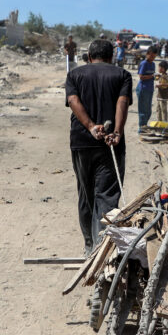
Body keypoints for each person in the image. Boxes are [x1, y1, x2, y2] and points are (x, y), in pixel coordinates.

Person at [65, 39, 133, 255]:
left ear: (89, 56)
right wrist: (118, 132)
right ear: (111, 56)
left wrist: (91, 126)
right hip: (110, 143)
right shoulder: (122, 75)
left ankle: (89, 245)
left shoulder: (75, 75)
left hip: (82, 141)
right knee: (107, 195)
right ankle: (102, 247)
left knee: (86, 195)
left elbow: (73, 100)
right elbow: (121, 102)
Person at [136, 46, 158, 132]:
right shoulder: (144, 63)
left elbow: (152, 77)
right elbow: (141, 77)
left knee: (148, 111)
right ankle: (141, 128)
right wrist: (152, 76)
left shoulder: (153, 64)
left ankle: (144, 126)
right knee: (143, 110)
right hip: (143, 88)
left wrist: (156, 77)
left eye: (154, 57)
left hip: (150, 89)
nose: (153, 58)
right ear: (147, 54)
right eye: (152, 56)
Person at [155, 60, 168, 124]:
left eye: (160, 67)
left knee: (163, 111)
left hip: (163, 97)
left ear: (164, 69)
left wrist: (161, 85)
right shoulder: (160, 76)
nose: (159, 68)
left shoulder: (166, 76)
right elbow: (155, 78)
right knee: (158, 110)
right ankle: (160, 123)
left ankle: (165, 124)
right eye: (159, 67)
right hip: (159, 96)